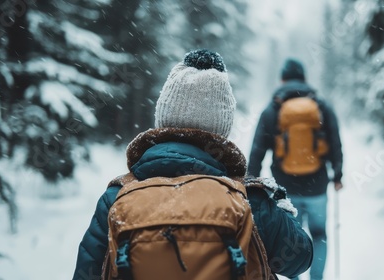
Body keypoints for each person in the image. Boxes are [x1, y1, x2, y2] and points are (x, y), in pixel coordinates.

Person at [73, 50, 313, 280]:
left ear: (163, 120)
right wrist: (282, 211)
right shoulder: (249, 201)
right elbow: (299, 259)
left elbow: (87, 272)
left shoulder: (116, 197)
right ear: (221, 130)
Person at [248, 58, 343, 280]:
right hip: (317, 185)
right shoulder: (321, 106)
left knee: (291, 238)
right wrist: (338, 174)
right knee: (319, 235)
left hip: (285, 188)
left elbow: (257, 150)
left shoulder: (272, 110)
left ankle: (295, 277)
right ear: (304, 79)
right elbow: (335, 142)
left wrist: (250, 182)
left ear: (282, 79)